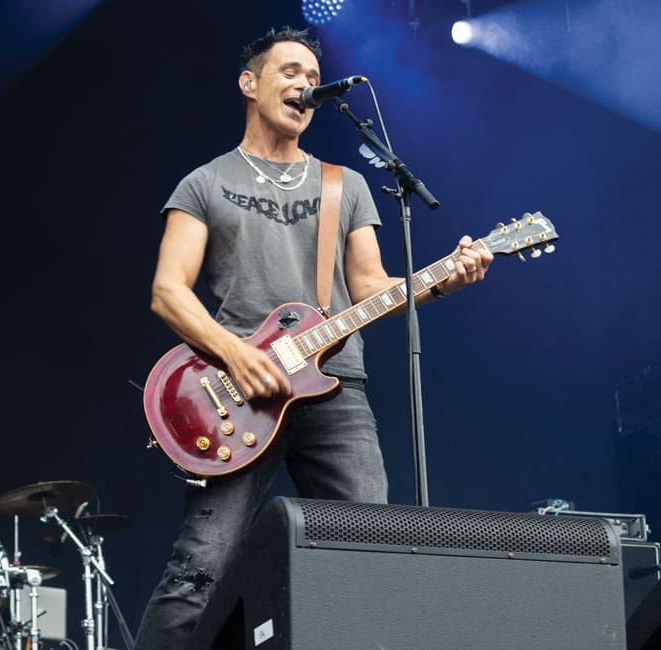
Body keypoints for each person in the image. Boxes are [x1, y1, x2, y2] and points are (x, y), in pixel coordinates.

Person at [134, 27, 493, 648]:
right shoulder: (205, 183)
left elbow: (371, 287)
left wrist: (447, 281)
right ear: (250, 83)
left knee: (369, 555)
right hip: (240, 397)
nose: (305, 84)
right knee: (199, 572)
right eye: (290, 72)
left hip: (335, 390)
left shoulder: (344, 184)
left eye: (312, 77)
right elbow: (168, 291)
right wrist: (235, 354)